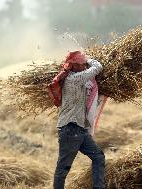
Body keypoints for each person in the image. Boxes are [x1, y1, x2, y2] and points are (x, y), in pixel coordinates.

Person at [49, 51, 105, 189]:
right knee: (63, 168)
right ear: (73, 66)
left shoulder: (76, 77)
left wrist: (84, 60)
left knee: (98, 157)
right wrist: (90, 60)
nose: (84, 66)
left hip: (78, 129)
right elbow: (98, 67)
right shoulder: (74, 79)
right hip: (70, 130)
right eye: (82, 64)